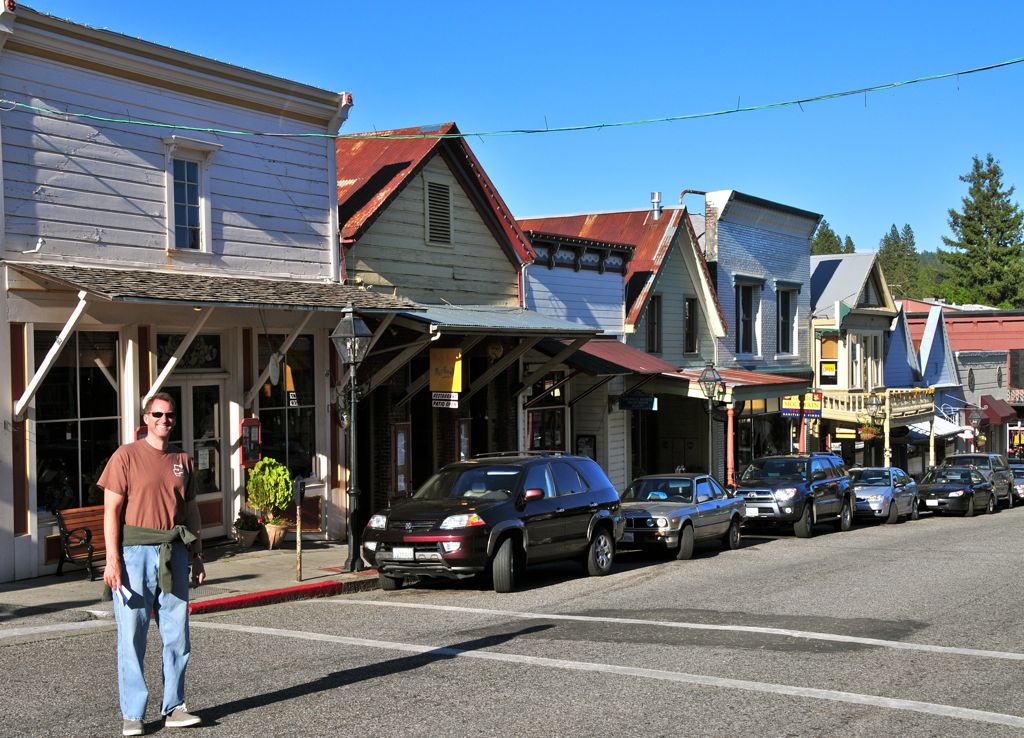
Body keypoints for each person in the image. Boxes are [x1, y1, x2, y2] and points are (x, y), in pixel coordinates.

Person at [99, 392, 206, 737]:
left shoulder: (183, 460)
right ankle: (133, 714)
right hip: (133, 555)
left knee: (177, 635)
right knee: (133, 635)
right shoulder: (125, 456)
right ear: (145, 419)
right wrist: (112, 559)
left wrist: (197, 555)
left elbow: (191, 511)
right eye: (158, 414)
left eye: (170, 415)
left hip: (172, 552)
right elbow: (111, 512)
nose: (165, 420)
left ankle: (174, 707)